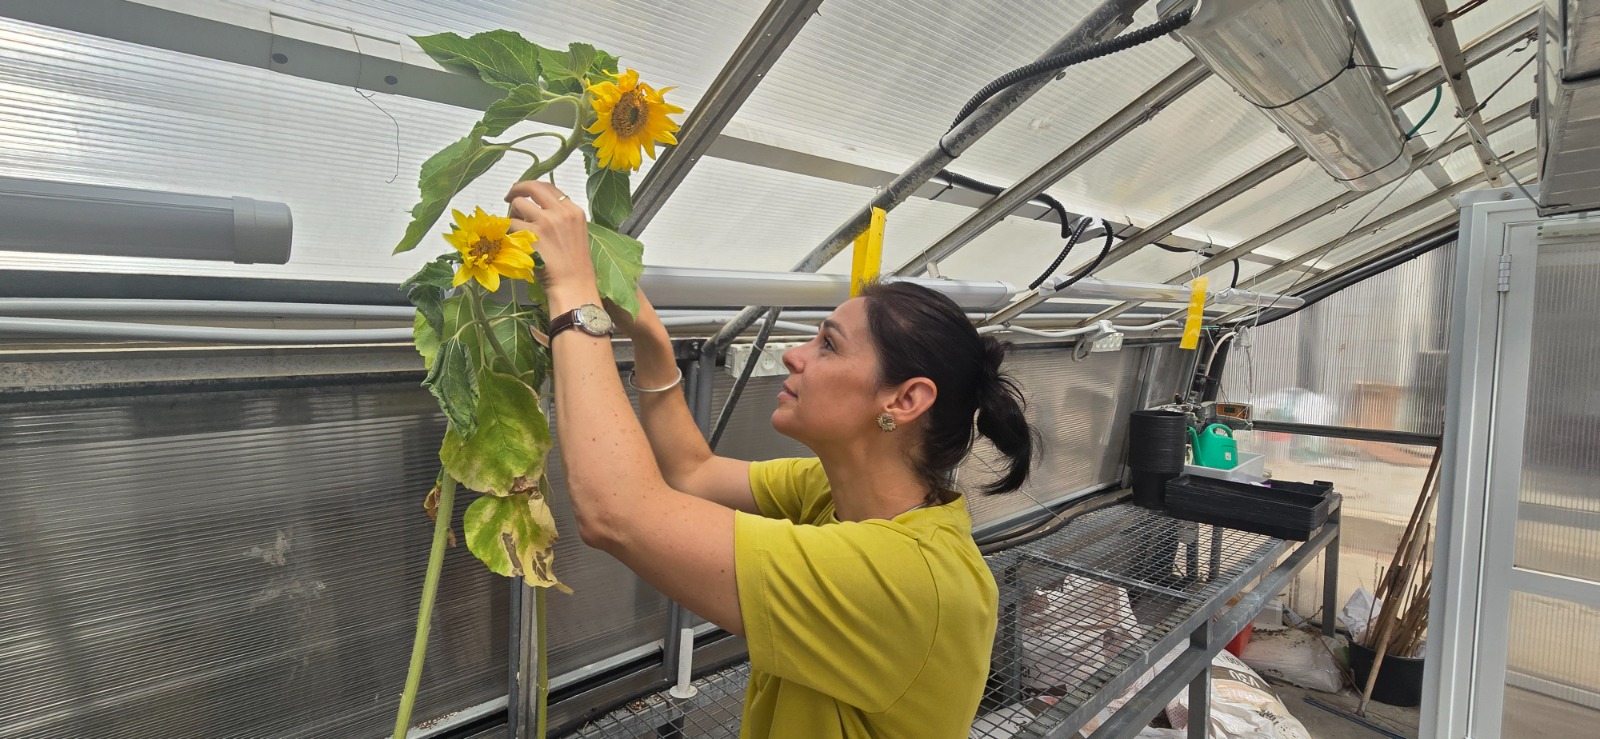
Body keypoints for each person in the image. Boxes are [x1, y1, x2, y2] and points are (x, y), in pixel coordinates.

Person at [505, 180, 1039, 738]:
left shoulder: (904, 579)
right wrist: (652, 340)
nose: (793, 355)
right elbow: (693, 471)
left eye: (828, 344)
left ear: (904, 401)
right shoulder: (835, 492)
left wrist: (574, 294)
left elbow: (617, 512)